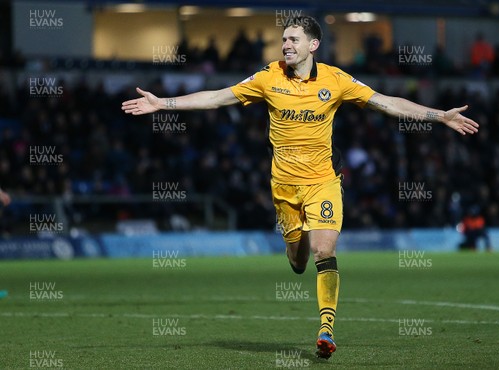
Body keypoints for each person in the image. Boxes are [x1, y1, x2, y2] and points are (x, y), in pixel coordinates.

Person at [122, 15, 479, 359]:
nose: (286, 45)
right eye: (283, 40)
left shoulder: (336, 80)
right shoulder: (267, 77)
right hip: (284, 188)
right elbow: (217, 97)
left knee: (324, 251)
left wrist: (439, 115)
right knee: (298, 260)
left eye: (293, 40)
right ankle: (295, 251)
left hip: (323, 182)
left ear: (313, 44)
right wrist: (162, 103)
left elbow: (387, 103)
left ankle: (326, 329)